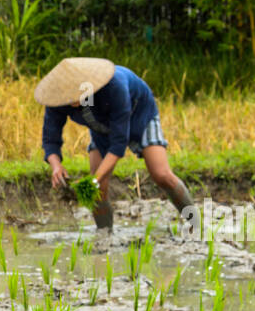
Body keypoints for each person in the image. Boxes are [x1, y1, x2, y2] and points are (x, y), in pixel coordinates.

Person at [36, 57, 197, 232]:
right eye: (68, 96)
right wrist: (56, 166)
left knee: (161, 174)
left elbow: (118, 145)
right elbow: (50, 140)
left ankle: (196, 224)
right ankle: (105, 237)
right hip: (100, 125)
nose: (73, 101)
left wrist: (94, 180)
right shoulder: (58, 100)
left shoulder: (114, 87)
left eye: (77, 95)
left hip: (139, 115)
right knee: (99, 192)